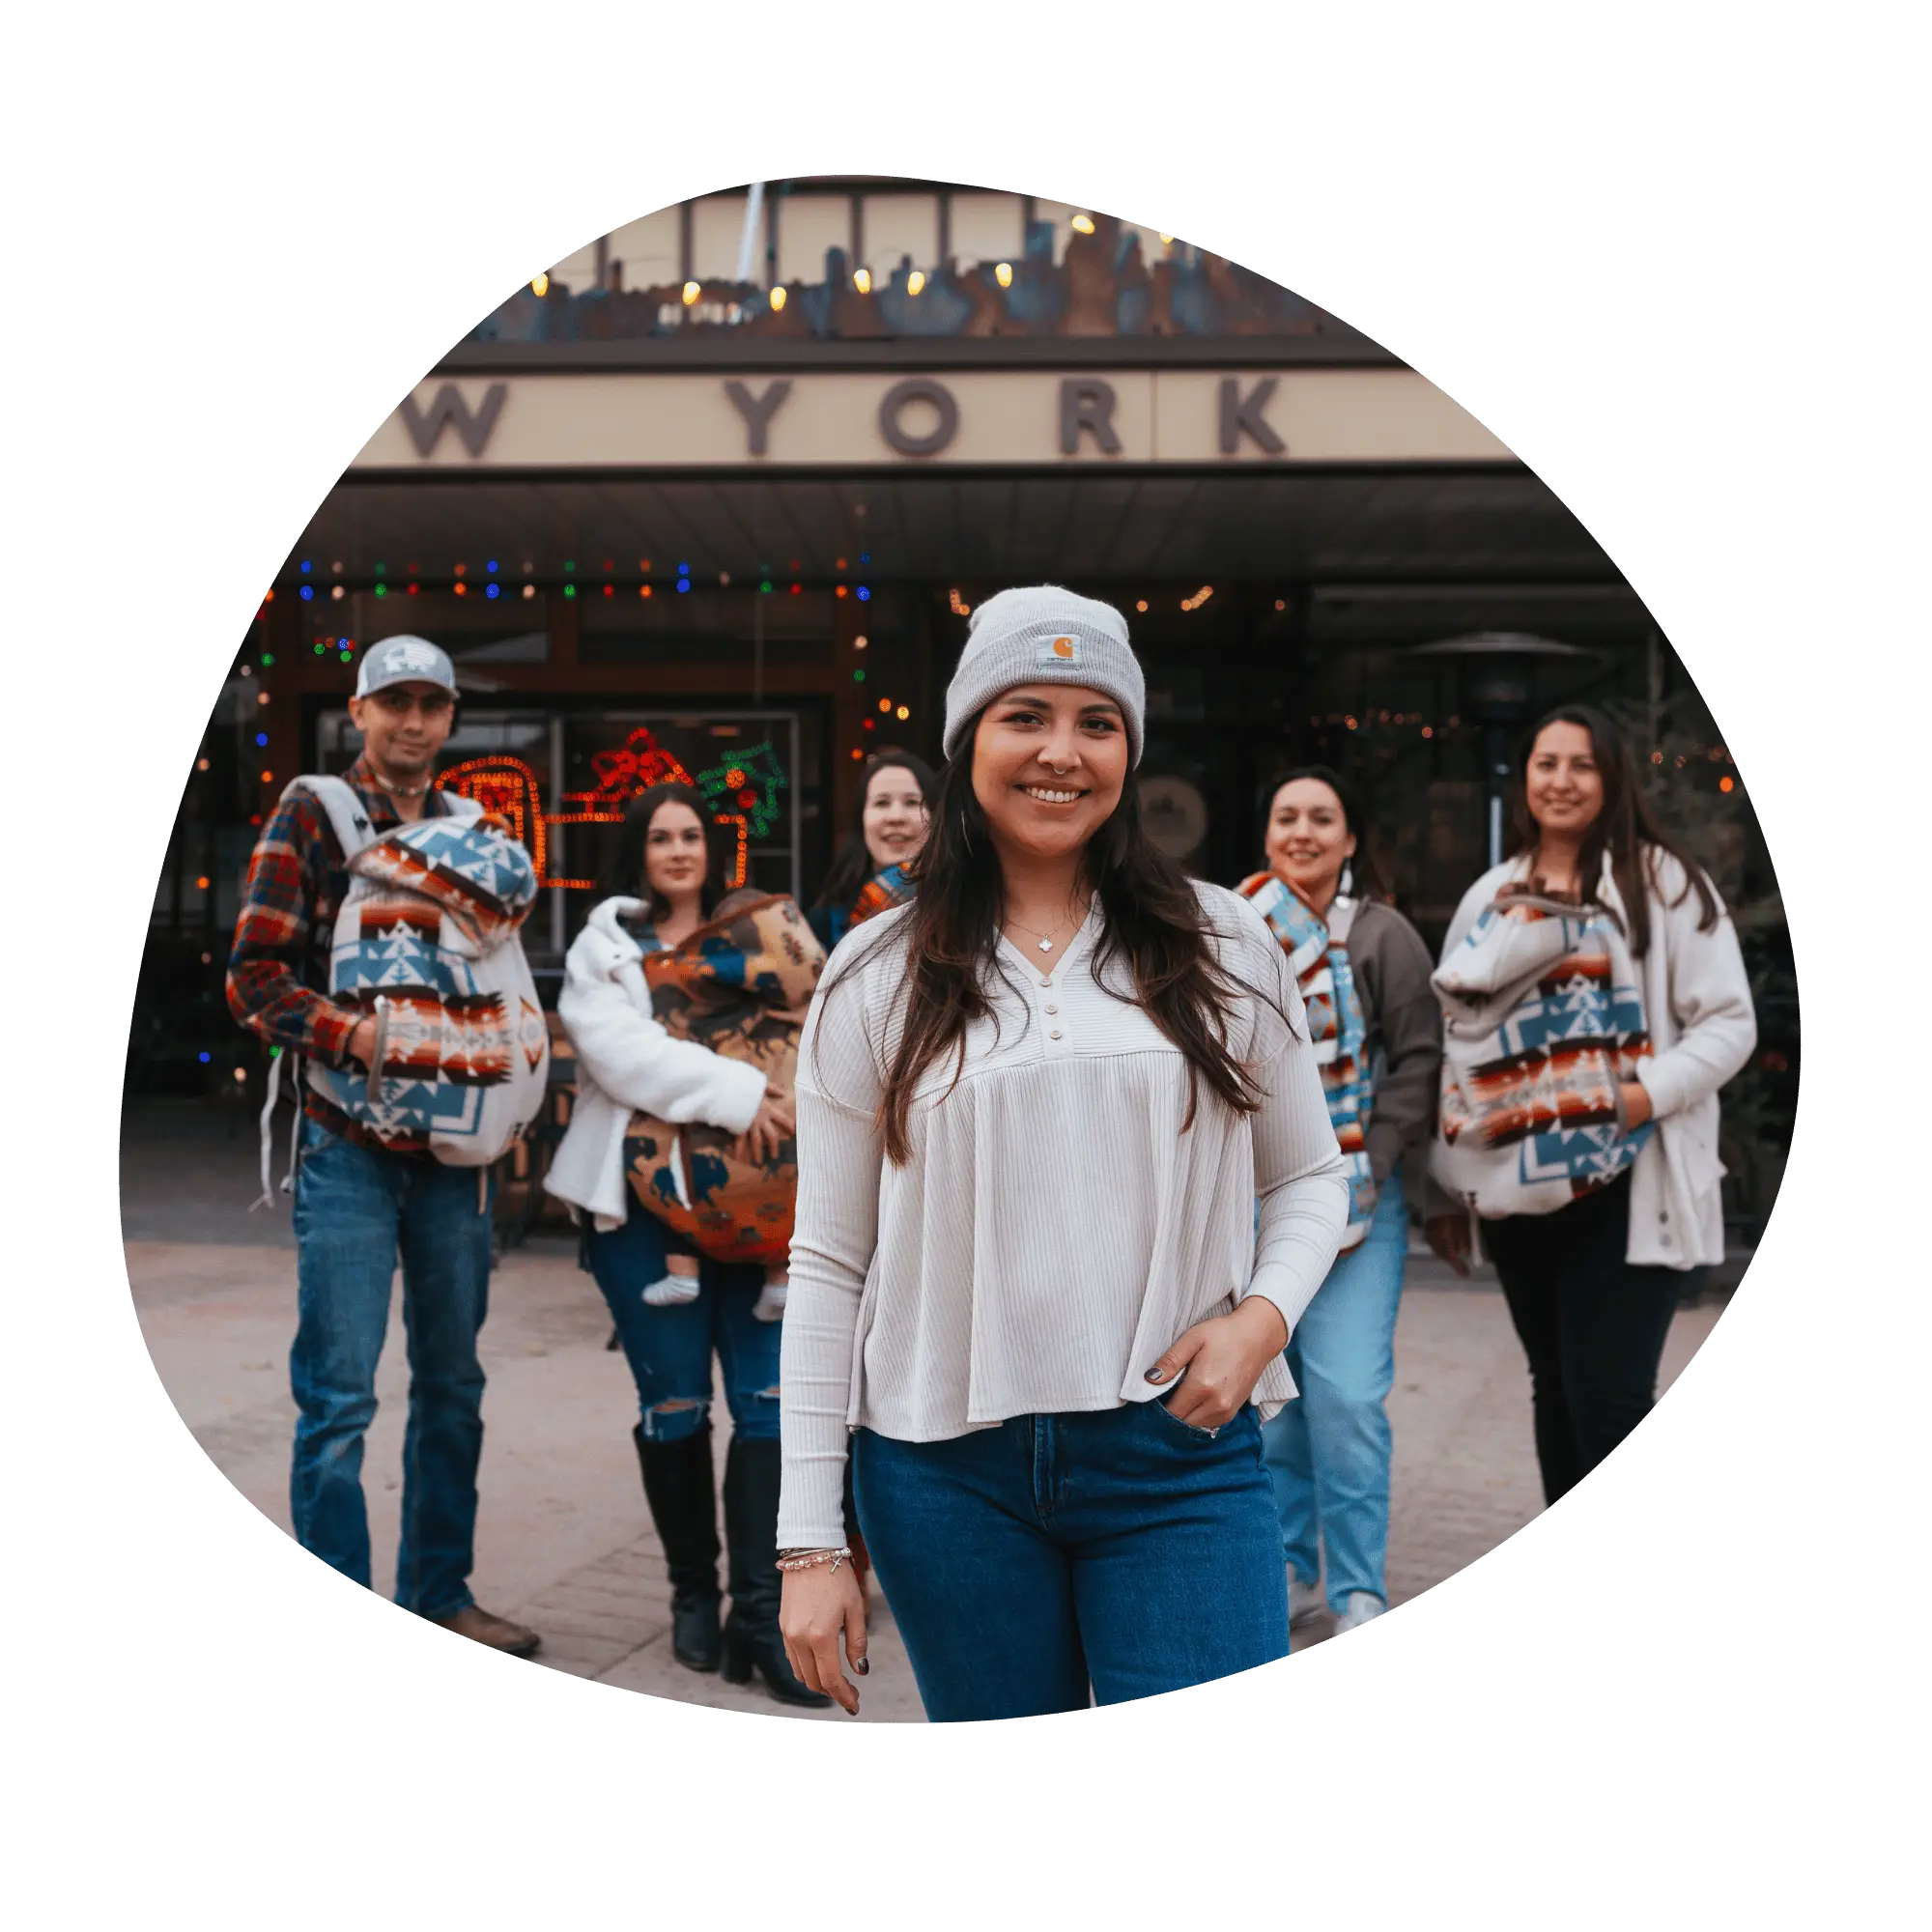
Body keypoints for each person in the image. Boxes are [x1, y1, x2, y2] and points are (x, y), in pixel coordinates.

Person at [775, 585, 1351, 1722]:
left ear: (1128, 751)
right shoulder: (873, 969)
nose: (1060, 751)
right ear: (966, 742)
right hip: (942, 1475)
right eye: (1022, 713)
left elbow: (1306, 1175)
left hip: (1176, 1459)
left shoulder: (1225, 940)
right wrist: (807, 1540)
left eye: (1096, 721)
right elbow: (829, 1259)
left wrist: (1261, 1318)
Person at [225, 635, 542, 1659]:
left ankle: (438, 1594)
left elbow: (501, 978)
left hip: (455, 1160)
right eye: (393, 702)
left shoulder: (474, 831)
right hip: (347, 1144)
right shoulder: (312, 811)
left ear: (451, 719)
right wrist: (357, 1035)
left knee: (452, 1386)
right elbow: (253, 976)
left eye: (432, 704)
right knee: (340, 1396)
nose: (413, 722)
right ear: (358, 711)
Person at [1424, 703, 1756, 1507]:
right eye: (1546, 764)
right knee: (1555, 1389)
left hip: (1630, 1179)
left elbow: (1731, 1022)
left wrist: (1640, 1099)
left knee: (1611, 1401)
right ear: (1525, 778)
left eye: (1582, 765)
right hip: (1515, 1181)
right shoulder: (1492, 895)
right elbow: (1456, 1049)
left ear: (1611, 778)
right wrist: (1442, 1186)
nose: (1562, 781)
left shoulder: (1662, 883)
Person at [545, 783, 828, 1706]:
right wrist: (744, 1096)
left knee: (770, 1411)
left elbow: (811, 1022)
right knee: (674, 1409)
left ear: (714, 848)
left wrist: (783, 1101)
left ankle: (758, 1614)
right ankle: (691, 1598)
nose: (677, 849)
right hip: (643, 1214)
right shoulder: (605, 948)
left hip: (767, 1212)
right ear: (640, 850)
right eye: (661, 836)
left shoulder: (754, 934)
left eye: (691, 835)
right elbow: (616, 1052)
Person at [1237, 766, 1442, 1640]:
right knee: (1275, 1405)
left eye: (1324, 819)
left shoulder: (1384, 935)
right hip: (1252, 1200)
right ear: (1268, 834)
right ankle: (1288, 1571)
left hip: (1362, 1202)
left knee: (1350, 1397)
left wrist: (1376, 1160)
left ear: (1351, 838)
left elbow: (1420, 1062)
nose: (1304, 832)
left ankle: (1358, 1586)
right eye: (1288, 817)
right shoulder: (1233, 929)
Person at [807, 750, 936, 953]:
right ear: (862, 819)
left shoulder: (964, 906)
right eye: (881, 803)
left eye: (912, 802)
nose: (895, 817)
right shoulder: (826, 918)